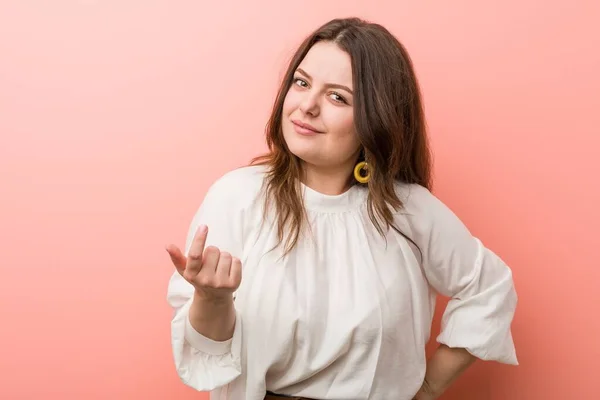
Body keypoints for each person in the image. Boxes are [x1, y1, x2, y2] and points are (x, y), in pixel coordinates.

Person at [165, 17, 518, 400]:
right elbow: (207, 352)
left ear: (376, 117)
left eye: (338, 97)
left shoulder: (408, 210)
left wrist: (429, 388)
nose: (307, 106)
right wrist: (212, 299)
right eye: (301, 83)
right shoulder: (238, 196)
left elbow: (489, 289)